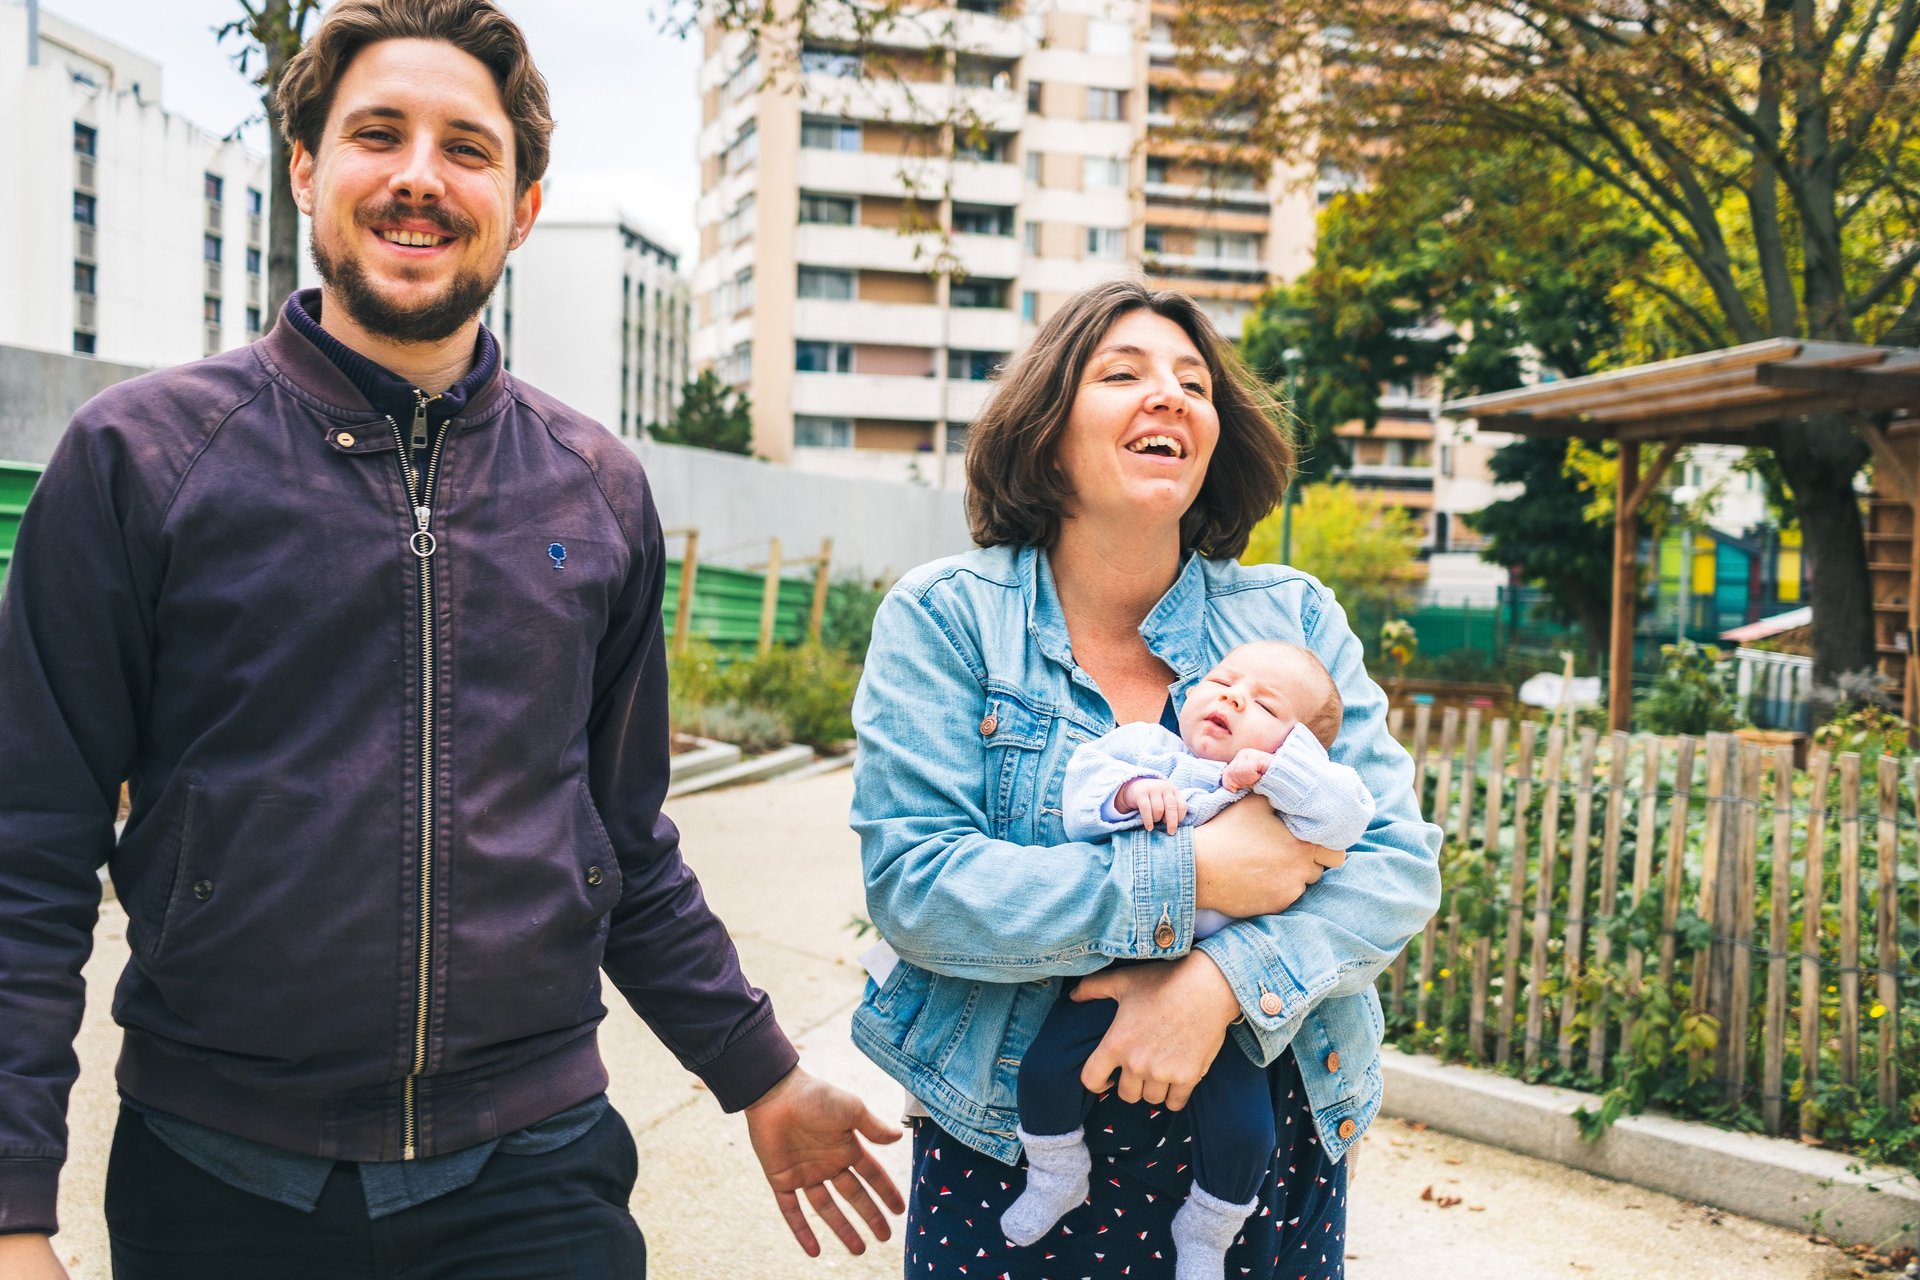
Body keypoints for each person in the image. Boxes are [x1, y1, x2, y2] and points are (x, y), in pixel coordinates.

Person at [0, 3, 900, 1277]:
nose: (420, 174)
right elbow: (24, 854)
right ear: (307, 167)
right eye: (378, 133)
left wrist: (759, 1072)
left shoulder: (596, 486)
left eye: (467, 148)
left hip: (532, 1172)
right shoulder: (138, 461)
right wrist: (9, 1208)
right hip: (218, 1176)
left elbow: (623, 839)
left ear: (523, 205)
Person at [849, 279, 1442, 1279]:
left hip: (1262, 1140)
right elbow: (920, 880)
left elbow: (1391, 864)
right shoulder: (947, 618)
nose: (1167, 395)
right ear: (1047, 430)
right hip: (1007, 1137)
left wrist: (1214, 984)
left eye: (1193, 383)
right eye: (1122, 373)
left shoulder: (1294, 619)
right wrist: (1192, 877)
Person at [1001, 642, 1374, 1279]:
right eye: (1224, 680)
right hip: (1114, 977)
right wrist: (1128, 795)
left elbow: (1350, 818)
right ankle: (1056, 1172)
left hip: (1226, 1003)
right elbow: (1080, 791)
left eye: (1263, 703)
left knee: (1246, 1131)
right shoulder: (1150, 750)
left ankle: (1207, 1232)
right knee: (1044, 1071)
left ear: (1300, 747)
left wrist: (1275, 771)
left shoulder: (1297, 796)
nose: (1232, 696)